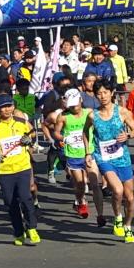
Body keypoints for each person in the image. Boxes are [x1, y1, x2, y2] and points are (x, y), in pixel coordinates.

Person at [83, 79, 134, 243]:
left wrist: (127, 135)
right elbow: (85, 132)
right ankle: (118, 217)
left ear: (112, 93)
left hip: (122, 157)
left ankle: (128, 227)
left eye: (105, 92)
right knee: (118, 190)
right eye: (99, 93)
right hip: (104, 157)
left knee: (130, 198)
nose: (102, 96)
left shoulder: (122, 112)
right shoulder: (93, 115)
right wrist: (88, 152)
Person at [0, 93, 40, 246]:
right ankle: (19, 232)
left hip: (23, 167)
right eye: (3, 107)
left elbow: (32, 133)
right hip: (4, 170)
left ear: (13, 107)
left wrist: (29, 139)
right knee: (10, 202)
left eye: (9, 106)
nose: (7, 109)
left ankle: (32, 228)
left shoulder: (21, 122)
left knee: (25, 197)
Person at [53, 88, 104, 223]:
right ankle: (79, 201)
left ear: (81, 100)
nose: (74, 107)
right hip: (73, 155)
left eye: (75, 104)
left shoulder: (90, 113)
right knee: (80, 185)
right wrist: (64, 138)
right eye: (71, 105)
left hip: (89, 153)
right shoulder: (63, 116)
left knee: (94, 184)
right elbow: (56, 133)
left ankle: (100, 215)